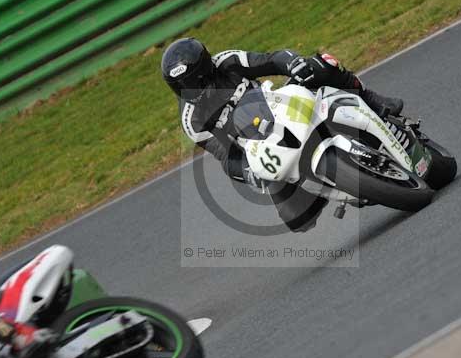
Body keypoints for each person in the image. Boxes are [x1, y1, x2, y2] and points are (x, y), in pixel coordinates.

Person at [161, 38, 404, 232]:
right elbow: (225, 156)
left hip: (280, 105)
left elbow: (272, 60)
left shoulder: (227, 61)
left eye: (193, 81)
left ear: (206, 69)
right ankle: (329, 183)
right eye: (181, 86)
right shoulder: (192, 121)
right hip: (264, 148)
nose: (189, 90)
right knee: (297, 219)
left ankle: (371, 99)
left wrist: (294, 64)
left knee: (321, 65)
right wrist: (246, 171)